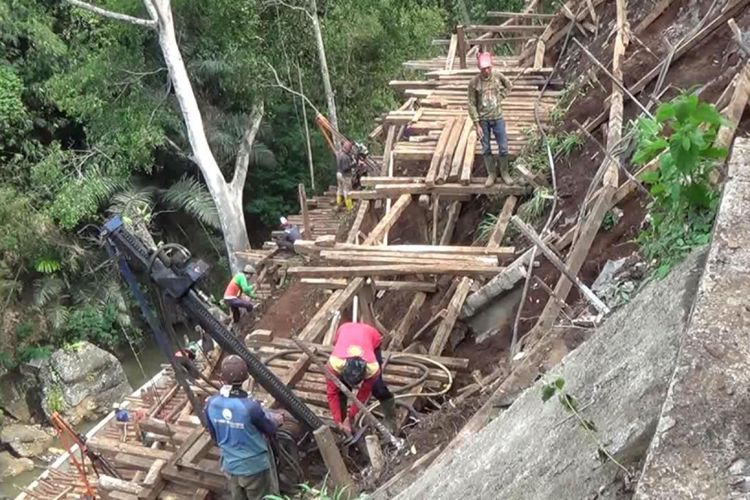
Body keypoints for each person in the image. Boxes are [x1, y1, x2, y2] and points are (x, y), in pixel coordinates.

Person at [205, 355, 283, 500]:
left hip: (231, 466)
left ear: (222, 378)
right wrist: (276, 420)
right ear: (245, 378)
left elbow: (214, 438)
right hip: (255, 469)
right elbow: (270, 429)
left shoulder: (210, 404)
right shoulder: (251, 407)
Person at [325, 322, 396, 435]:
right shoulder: (334, 364)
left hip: (370, 334)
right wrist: (338, 420)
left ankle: (391, 417)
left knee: (378, 387)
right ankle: (343, 424)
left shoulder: (372, 368)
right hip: (345, 330)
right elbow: (332, 393)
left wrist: (351, 416)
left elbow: (363, 394)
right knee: (341, 390)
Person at [468, 51, 514, 187]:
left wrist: (502, 96)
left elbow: (509, 85)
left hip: (498, 117)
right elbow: (471, 103)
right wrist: (476, 124)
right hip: (483, 121)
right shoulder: (474, 83)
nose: (486, 71)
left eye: (488, 68)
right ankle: (491, 174)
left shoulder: (498, 77)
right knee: (486, 148)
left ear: (491, 66)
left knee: (503, 147)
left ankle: (504, 173)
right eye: (483, 69)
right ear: (479, 68)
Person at [335, 141, 356, 211]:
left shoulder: (339, 155)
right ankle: (349, 207)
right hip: (345, 176)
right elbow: (345, 168)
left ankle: (338, 204)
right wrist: (353, 164)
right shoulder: (345, 157)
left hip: (338, 174)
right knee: (347, 191)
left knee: (339, 189)